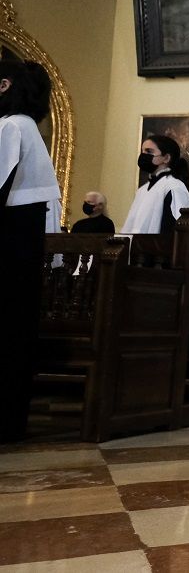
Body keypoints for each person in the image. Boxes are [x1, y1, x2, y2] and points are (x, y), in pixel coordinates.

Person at [0, 56, 61, 442]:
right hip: (21, 237)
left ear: (4, 86)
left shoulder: (9, 127)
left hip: (8, 239)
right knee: (13, 331)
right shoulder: (27, 127)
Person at [121, 135, 189, 234]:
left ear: (166, 158)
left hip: (160, 247)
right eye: (142, 151)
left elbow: (179, 229)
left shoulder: (174, 187)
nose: (144, 155)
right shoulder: (143, 190)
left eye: (149, 151)